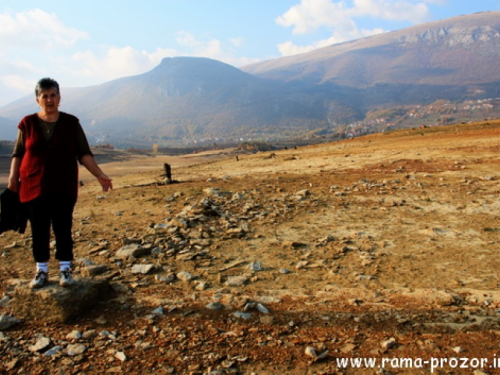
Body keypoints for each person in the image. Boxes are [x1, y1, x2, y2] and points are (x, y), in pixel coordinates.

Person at [7, 77, 113, 289]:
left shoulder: (71, 123)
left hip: (63, 185)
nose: (49, 100)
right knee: (39, 229)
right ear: (38, 99)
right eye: (44, 96)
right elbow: (18, 153)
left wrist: (100, 175)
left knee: (63, 227)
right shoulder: (27, 123)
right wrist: (12, 180)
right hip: (33, 185)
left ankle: (65, 270)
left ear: (59, 98)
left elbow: (83, 154)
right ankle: (41, 271)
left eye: (53, 95)